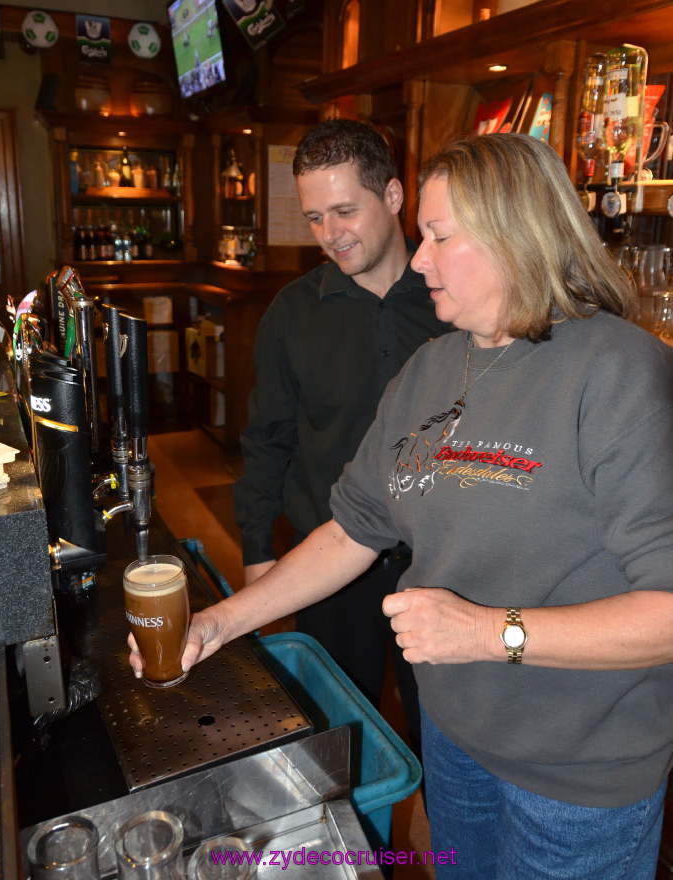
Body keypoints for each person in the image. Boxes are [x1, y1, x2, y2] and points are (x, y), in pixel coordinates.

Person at [130, 133, 673, 879]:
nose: (419, 260)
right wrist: (222, 621)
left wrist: (487, 633)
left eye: (441, 237)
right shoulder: (432, 369)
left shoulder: (618, 372)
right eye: (421, 236)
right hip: (455, 742)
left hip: (576, 775)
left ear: (520, 235)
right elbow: (352, 528)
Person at [233, 117, 452, 742]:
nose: (329, 235)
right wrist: (258, 556)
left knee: (444, 748)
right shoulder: (291, 314)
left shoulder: (459, 304)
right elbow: (266, 439)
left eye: (344, 211)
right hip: (328, 567)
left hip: (440, 570)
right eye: (313, 218)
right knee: (336, 746)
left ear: (392, 196)